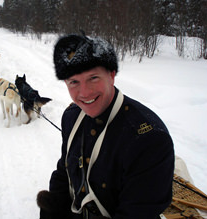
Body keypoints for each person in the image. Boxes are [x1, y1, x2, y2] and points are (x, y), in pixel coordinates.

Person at [36, 33, 175, 219]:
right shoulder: (71, 117)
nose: (84, 93)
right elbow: (64, 173)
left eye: (93, 78)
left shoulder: (148, 138)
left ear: (111, 75)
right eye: (74, 82)